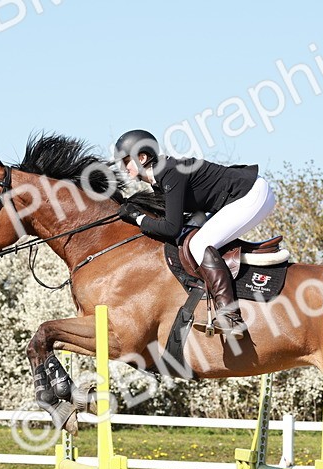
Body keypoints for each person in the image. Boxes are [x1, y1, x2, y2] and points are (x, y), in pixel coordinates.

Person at [113, 129, 275, 337]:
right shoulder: (161, 179)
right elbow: (185, 220)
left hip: (252, 194)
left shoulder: (170, 172)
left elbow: (171, 227)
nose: (124, 168)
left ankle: (231, 316)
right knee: (195, 238)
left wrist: (138, 218)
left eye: (126, 161)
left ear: (142, 157)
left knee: (200, 244)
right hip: (238, 197)